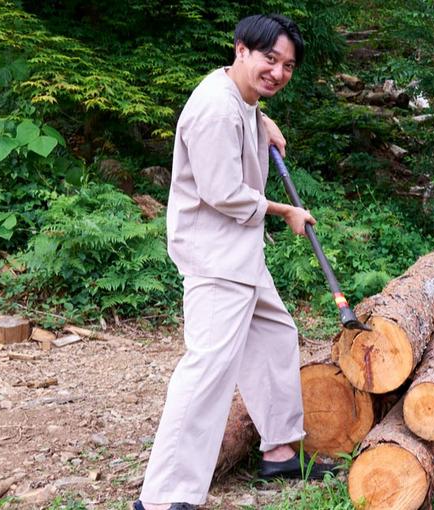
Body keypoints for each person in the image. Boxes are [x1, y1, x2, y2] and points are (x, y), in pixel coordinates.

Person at [135, 14, 333, 510]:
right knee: (208, 368)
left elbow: (244, 110)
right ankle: (163, 496)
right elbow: (222, 191)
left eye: (288, 65)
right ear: (241, 49)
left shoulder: (241, 98)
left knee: (275, 335)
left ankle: (280, 451)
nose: (279, 72)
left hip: (240, 251)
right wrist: (285, 211)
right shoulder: (216, 110)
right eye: (271, 59)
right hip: (214, 253)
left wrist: (262, 120)